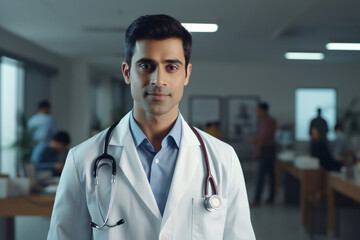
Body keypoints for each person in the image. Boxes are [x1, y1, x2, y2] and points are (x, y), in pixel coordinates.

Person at [47, 14, 255, 240]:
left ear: (187, 74)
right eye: (146, 66)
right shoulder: (83, 159)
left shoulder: (223, 159)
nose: (158, 79)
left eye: (172, 67)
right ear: (127, 72)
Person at [247, 102, 277, 206]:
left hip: (265, 152)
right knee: (271, 176)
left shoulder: (266, 121)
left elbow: (263, 137)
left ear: (262, 110)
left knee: (260, 177)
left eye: (258, 110)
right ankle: (271, 198)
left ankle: (256, 200)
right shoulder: (270, 121)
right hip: (269, 151)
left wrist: (252, 139)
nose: (257, 112)